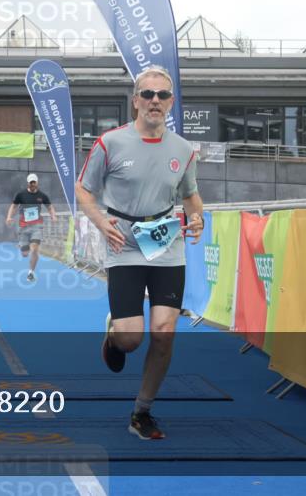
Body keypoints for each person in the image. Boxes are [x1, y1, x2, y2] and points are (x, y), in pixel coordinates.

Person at [76, 65, 204, 441]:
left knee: (164, 332)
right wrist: (101, 223)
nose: (154, 101)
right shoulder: (110, 143)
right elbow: (85, 191)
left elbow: (191, 195)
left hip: (166, 243)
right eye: (147, 94)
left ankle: (141, 412)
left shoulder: (183, 150)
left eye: (162, 95)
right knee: (131, 339)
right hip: (124, 244)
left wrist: (197, 218)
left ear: (171, 103)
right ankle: (114, 333)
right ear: (135, 101)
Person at [6, 173, 57, 283]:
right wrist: (9, 217)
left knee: (34, 249)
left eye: (34, 182)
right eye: (31, 182)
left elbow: (50, 206)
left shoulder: (42, 195)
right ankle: (22, 244)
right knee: (25, 254)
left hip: (36, 226)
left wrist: (53, 215)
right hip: (23, 227)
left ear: (37, 182)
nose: (33, 184)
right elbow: (13, 206)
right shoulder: (21, 194)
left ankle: (31, 272)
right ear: (28, 183)